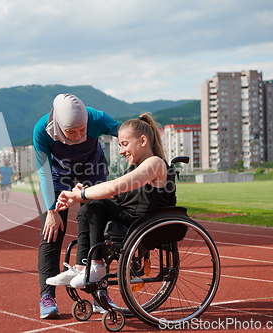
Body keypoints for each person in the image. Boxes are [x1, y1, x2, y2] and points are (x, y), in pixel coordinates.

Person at [50, 113, 172, 289]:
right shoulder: (135, 168)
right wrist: (80, 195)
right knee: (89, 205)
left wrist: (82, 194)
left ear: (143, 141)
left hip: (143, 223)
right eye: (120, 145)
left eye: (124, 144)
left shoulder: (154, 163)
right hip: (131, 219)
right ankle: (81, 266)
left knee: (94, 202)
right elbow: (115, 195)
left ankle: (97, 265)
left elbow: (115, 187)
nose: (121, 151)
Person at [33, 94, 120, 319]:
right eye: (72, 132)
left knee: (94, 227)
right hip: (59, 180)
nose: (80, 136)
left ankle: (97, 292)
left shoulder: (96, 118)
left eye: (83, 130)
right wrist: (52, 211)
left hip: (93, 175)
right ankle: (47, 296)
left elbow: (125, 131)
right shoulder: (42, 130)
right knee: (51, 233)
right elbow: (43, 172)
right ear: (59, 126)